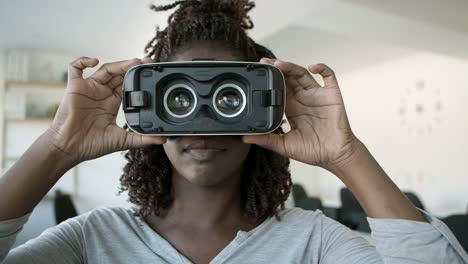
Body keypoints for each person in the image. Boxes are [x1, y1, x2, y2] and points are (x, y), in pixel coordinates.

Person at [0, 1, 467, 263]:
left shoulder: (314, 242)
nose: (201, 121)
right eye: (178, 98)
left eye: (229, 99)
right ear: (146, 105)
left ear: (264, 107)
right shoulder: (93, 240)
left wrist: (345, 155)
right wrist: (57, 147)